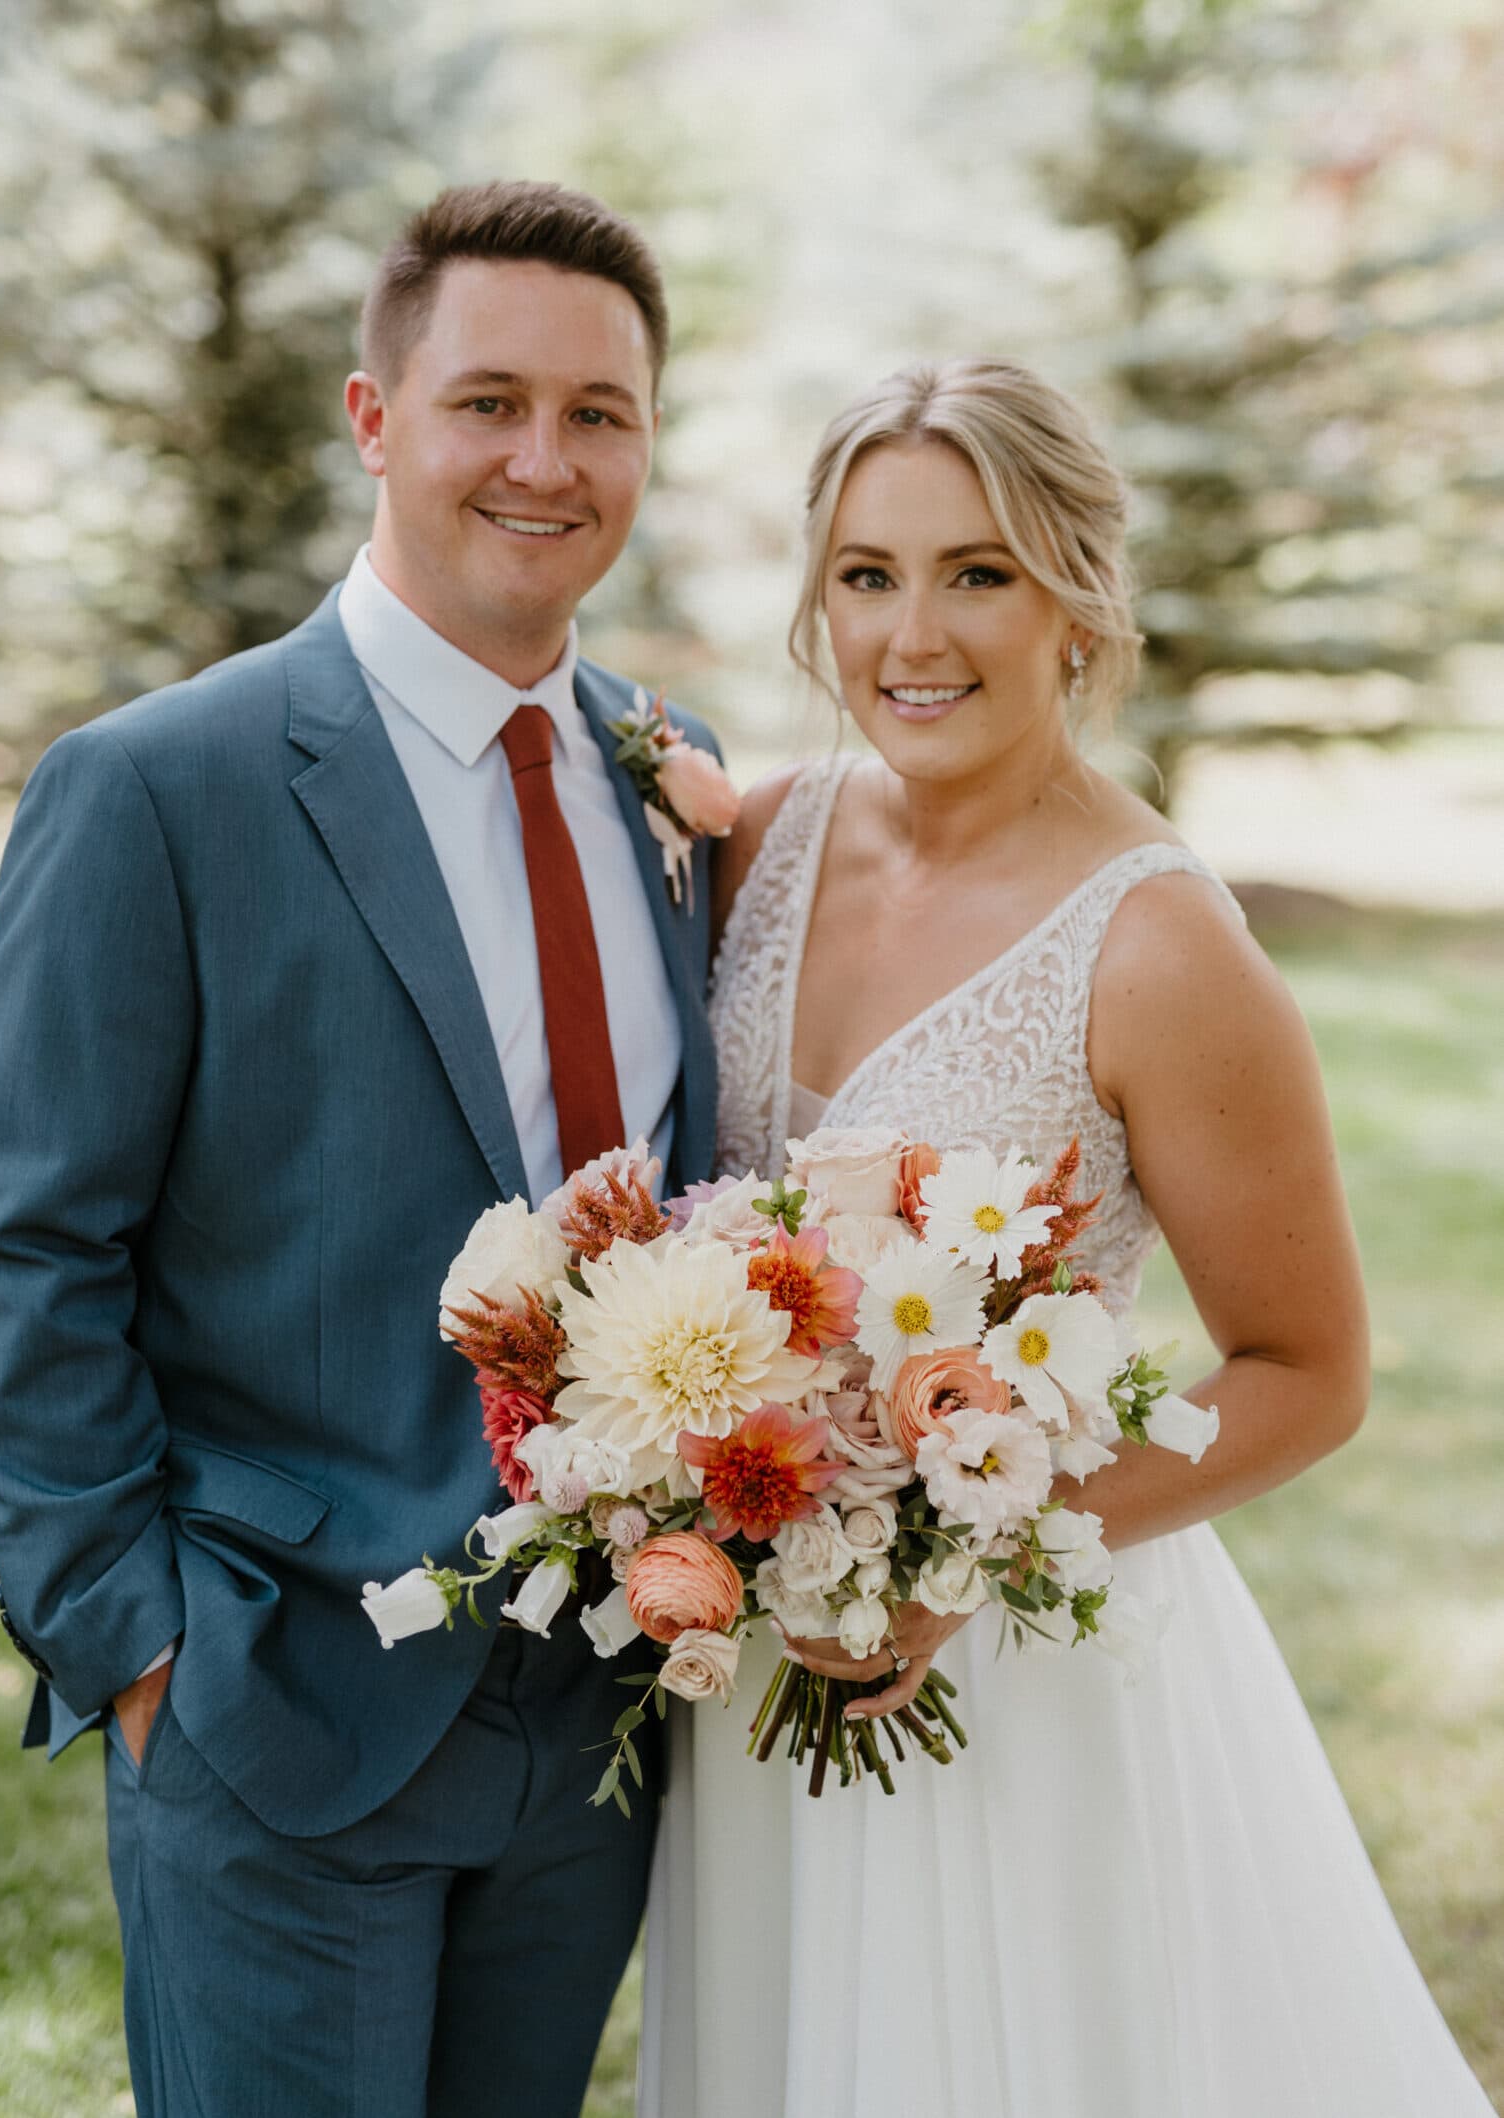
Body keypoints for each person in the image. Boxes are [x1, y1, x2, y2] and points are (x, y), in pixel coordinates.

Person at [0, 179, 723, 2118]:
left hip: (596, 1724)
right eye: (489, 402)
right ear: (375, 421)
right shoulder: (154, 790)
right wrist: (138, 1654)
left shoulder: (670, 784)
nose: (546, 460)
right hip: (272, 1707)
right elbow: (17, 1255)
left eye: (599, 414)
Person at [640, 357, 1493, 2116]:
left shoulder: (1161, 944)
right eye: (869, 574)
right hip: (760, 1659)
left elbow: (1309, 1370)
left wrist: (970, 1557)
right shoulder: (765, 843)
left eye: (979, 571)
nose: (913, 634)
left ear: (1079, 599)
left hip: (1020, 1669)